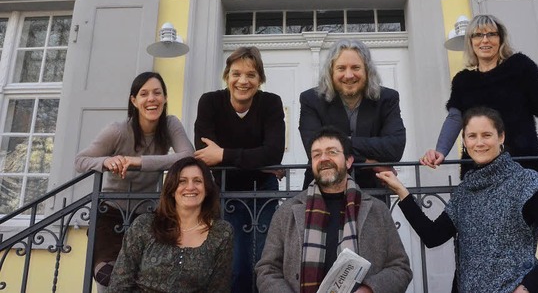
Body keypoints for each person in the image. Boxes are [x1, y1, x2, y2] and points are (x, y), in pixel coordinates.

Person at [378, 107, 538, 293]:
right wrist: (402, 191)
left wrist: (525, 289)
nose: (479, 143)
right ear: (464, 141)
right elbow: (433, 236)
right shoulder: (464, 192)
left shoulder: (526, 182)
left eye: (487, 135)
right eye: (472, 136)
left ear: (501, 137)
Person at [423, 14, 538, 191]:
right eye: (478, 35)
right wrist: (440, 152)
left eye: (491, 34)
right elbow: (455, 118)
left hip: (522, 169)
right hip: (479, 171)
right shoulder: (463, 81)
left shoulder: (521, 67)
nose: (485, 40)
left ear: (501, 39)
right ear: (470, 42)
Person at [255, 126, 412, 293]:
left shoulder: (377, 210)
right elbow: (267, 270)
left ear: (348, 161)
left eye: (332, 152)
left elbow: (400, 268)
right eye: (316, 154)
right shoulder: (287, 212)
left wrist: (369, 290)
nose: (323, 159)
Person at [75, 71, 194, 291]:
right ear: (134, 100)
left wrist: (137, 162)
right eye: (144, 94)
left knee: (149, 277)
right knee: (108, 276)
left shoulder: (169, 125)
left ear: (165, 98)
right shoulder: (118, 130)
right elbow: (81, 160)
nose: (152, 99)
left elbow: (188, 156)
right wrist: (107, 161)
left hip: (147, 214)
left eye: (157, 93)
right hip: (110, 213)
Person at [194, 46, 285, 293]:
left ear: (260, 79)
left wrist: (223, 154)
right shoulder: (210, 102)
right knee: (236, 265)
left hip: (264, 193)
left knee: (264, 261)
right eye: (236, 74)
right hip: (226, 193)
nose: (243, 81)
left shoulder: (271, 103)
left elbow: (274, 152)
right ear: (227, 76)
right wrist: (258, 162)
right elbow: (203, 155)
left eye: (251, 75)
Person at [106, 157, 234, 293]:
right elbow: (120, 284)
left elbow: (219, 288)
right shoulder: (144, 225)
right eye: (182, 181)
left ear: (207, 189)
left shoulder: (221, 232)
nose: (190, 187)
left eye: (197, 181)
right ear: (172, 189)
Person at [299, 39, 406, 190]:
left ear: (367, 71)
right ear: (331, 72)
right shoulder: (311, 100)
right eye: (341, 68)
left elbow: (395, 147)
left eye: (356, 67)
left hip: (372, 192)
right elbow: (314, 148)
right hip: (322, 190)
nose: (349, 75)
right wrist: (371, 163)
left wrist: (341, 143)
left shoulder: (387, 98)